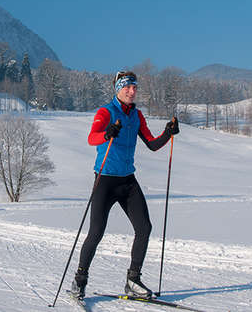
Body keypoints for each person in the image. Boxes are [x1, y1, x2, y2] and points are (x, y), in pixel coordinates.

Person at [71, 70, 179, 299]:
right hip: (105, 180)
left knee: (144, 228)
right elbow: (92, 137)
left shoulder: (137, 116)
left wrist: (168, 133)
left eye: (135, 87)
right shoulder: (106, 112)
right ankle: (80, 280)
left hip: (127, 181)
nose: (132, 91)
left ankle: (133, 280)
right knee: (96, 232)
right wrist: (107, 133)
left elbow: (151, 143)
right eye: (127, 87)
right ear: (118, 89)